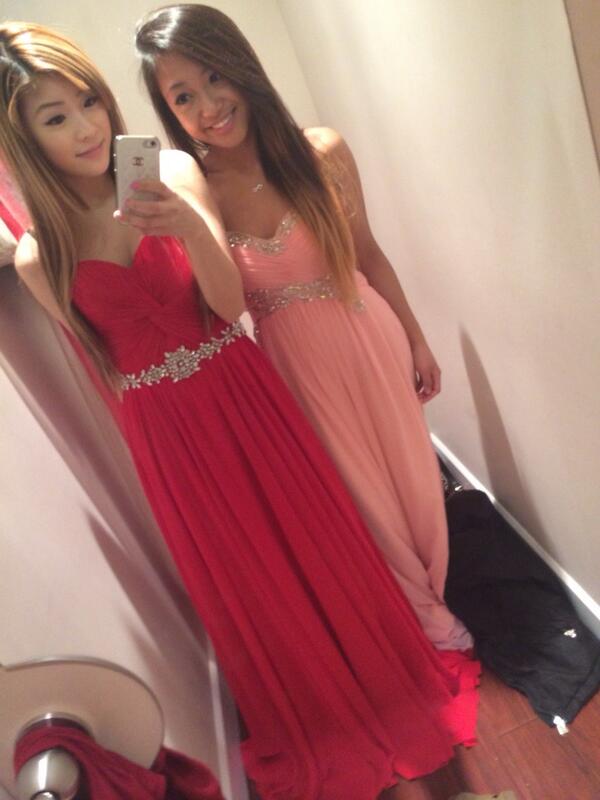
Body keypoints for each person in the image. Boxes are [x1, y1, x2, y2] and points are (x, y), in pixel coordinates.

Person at [0, 22, 478, 800]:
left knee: (320, 538)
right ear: (24, 140)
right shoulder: (37, 256)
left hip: (240, 385)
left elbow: (227, 307)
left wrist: (188, 226)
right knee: (249, 579)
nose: (87, 128)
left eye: (88, 101)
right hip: (166, 432)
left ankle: (388, 671)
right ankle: (315, 710)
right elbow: (101, 370)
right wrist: (158, 455)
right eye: (56, 117)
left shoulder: (163, 171)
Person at [135, 3, 473, 652]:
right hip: (294, 363)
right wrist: (179, 225)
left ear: (240, 67)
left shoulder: (322, 150)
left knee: (414, 483)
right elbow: (223, 306)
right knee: (362, 496)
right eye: (183, 97)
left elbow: (368, 253)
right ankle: (422, 617)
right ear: (169, 112)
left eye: (213, 78)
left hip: (368, 330)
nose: (208, 106)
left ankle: (437, 587)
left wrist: (417, 337)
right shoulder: (197, 189)